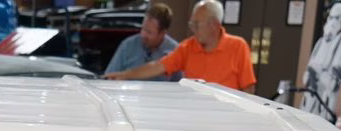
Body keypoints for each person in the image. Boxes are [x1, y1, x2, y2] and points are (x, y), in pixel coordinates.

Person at [106, 0, 256, 92]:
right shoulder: (188, 47)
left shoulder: (238, 46)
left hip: (226, 118)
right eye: (191, 23)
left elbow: (248, 88)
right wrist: (125, 75)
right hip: (194, 116)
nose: (193, 28)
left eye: (196, 24)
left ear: (214, 25)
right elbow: (158, 66)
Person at [105, 3, 178, 78]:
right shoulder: (127, 46)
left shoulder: (175, 52)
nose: (143, 34)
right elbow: (109, 77)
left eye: (149, 32)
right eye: (143, 29)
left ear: (163, 33)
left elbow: (181, 85)